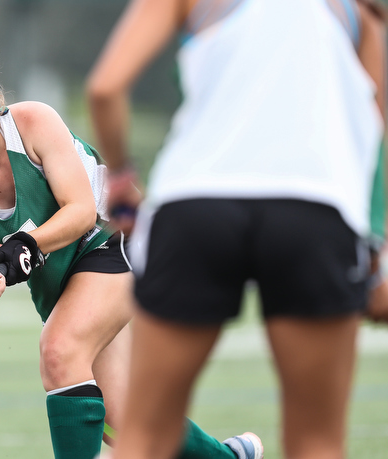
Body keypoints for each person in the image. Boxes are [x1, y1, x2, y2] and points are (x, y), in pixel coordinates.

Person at [0, 22, 263, 459]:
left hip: (115, 239)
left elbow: (79, 211)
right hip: (63, 279)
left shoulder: (33, 121)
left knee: (59, 351)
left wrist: (28, 243)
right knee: (125, 418)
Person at [86, 0, 386, 458]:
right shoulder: (360, 14)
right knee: (317, 442)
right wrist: (379, 248)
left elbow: (105, 88)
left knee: (146, 436)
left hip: (194, 208)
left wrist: (123, 178)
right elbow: (375, 138)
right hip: (315, 212)